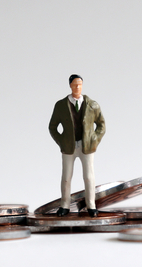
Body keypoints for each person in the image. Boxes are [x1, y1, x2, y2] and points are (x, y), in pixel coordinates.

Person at [48, 74, 106, 217]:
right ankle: (65, 205)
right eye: (74, 84)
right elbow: (52, 126)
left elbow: (101, 125)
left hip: (87, 146)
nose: (77, 87)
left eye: (80, 84)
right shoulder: (61, 105)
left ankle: (91, 205)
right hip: (69, 147)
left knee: (89, 176)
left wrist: (95, 139)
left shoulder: (92, 104)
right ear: (70, 86)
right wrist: (61, 141)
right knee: (66, 177)